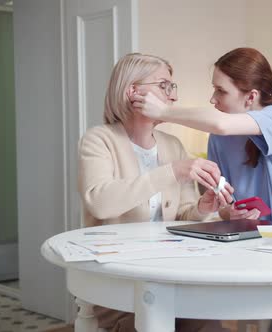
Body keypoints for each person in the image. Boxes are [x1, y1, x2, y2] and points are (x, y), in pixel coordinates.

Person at [133, 47, 272, 332]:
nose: (213, 99)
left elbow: (222, 124)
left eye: (220, 91)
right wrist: (229, 210)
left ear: (250, 97)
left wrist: (164, 111)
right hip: (246, 247)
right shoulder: (218, 137)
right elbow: (224, 204)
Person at [78, 52, 232, 332]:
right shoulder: (99, 140)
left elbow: (183, 215)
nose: (173, 97)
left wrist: (203, 207)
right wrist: (172, 171)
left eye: (173, 87)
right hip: (121, 286)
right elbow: (100, 202)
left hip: (171, 278)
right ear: (132, 91)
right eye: (164, 86)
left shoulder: (172, 145)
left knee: (211, 326)